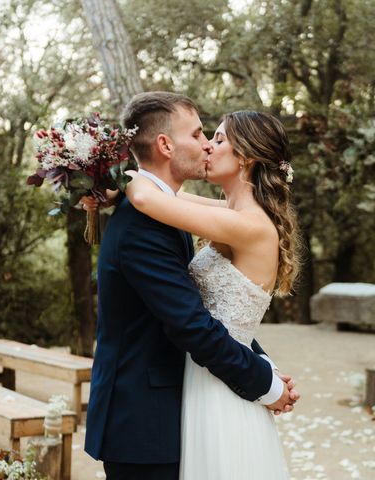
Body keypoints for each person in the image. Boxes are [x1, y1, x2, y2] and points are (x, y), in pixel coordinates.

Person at [82, 92, 298, 480]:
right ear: (165, 144)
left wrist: (118, 181)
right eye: (200, 134)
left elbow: (206, 315)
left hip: (204, 396)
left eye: (215, 137)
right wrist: (264, 377)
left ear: (246, 156)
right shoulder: (154, 221)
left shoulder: (182, 213)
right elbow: (195, 321)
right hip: (147, 418)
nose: (207, 145)